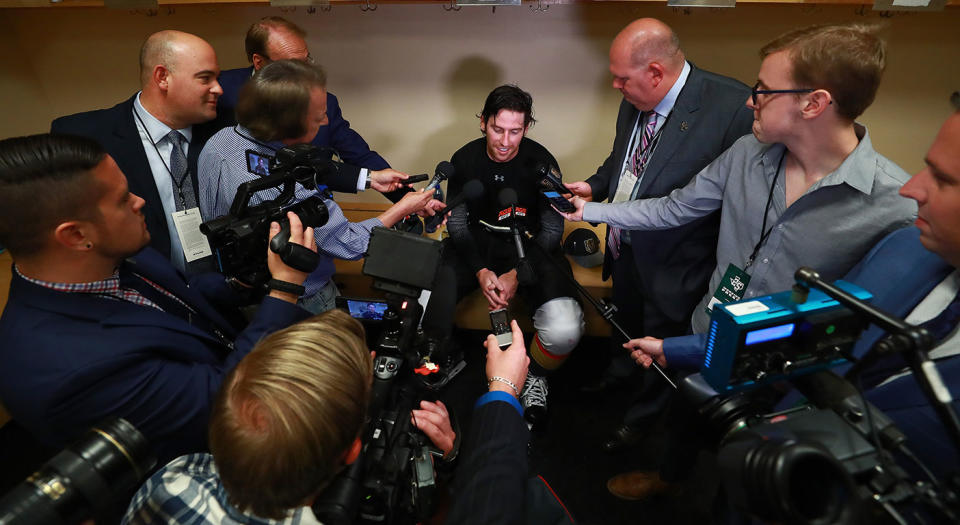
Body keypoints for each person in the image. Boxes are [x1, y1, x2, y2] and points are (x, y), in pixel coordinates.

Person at [628, 93, 960, 491]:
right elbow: (806, 325)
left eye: (942, 179)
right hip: (767, 462)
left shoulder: (893, 204)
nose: (914, 190)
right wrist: (678, 349)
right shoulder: (908, 247)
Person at [560, 21, 916, 375]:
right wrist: (590, 210)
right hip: (703, 340)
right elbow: (674, 208)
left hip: (787, 380)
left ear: (813, 104)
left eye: (764, 90)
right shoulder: (746, 154)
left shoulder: (898, 207)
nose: (750, 101)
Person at [0, 133, 315, 466]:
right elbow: (225, 404)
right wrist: (285, 288)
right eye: (122, 200)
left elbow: (184, 296)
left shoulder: (120, 256)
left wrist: (241, 283)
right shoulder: (68, 372)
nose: (140, 201)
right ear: (77, 235)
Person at [563, 18, 754, 453]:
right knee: (623, 322)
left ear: (655, 72)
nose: (615, 85)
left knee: (662, 341)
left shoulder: (732, 107)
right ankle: (618, 378)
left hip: (679, 261)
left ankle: (644, 420)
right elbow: (625, 160)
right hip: (625, 245)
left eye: (622, 77)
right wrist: (595, 186)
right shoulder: (636, 96)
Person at [198, 59, 435, 313]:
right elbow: (350, 243)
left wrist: (371, 178)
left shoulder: (220, 142)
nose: (325, 122)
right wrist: (401, 207)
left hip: (244, 296)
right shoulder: (281, 187)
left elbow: (310, 164)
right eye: (319, 116)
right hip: (302, 302)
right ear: (290, 124)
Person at [421, 85, 585, 428]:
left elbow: (553, 232)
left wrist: (514, 273)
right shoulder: (464, 159)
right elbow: (460, 224)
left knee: (566, 326)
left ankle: (536, 374)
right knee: (423, 300)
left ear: (526, 128)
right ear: (483, 122)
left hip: (531, 245)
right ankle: (443, 355)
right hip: (476, 244)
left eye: (515, 131)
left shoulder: (542, 162)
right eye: (498, 129)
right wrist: (481, 271)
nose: (506, 141)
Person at [51, 30, 225, 274]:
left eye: (217, 78)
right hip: (140, 292)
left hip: (224, 292)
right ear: (163, 77)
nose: (218, 89)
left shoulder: (228, 129)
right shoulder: (85, 137)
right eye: (205, 78)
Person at [217, 16, 409, 201]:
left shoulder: (324, 103)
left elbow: (359, 154)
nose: (306, 73)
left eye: (306, 60)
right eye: (293, 64)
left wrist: (406, 197)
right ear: (259, 62)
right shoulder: (219, 92)